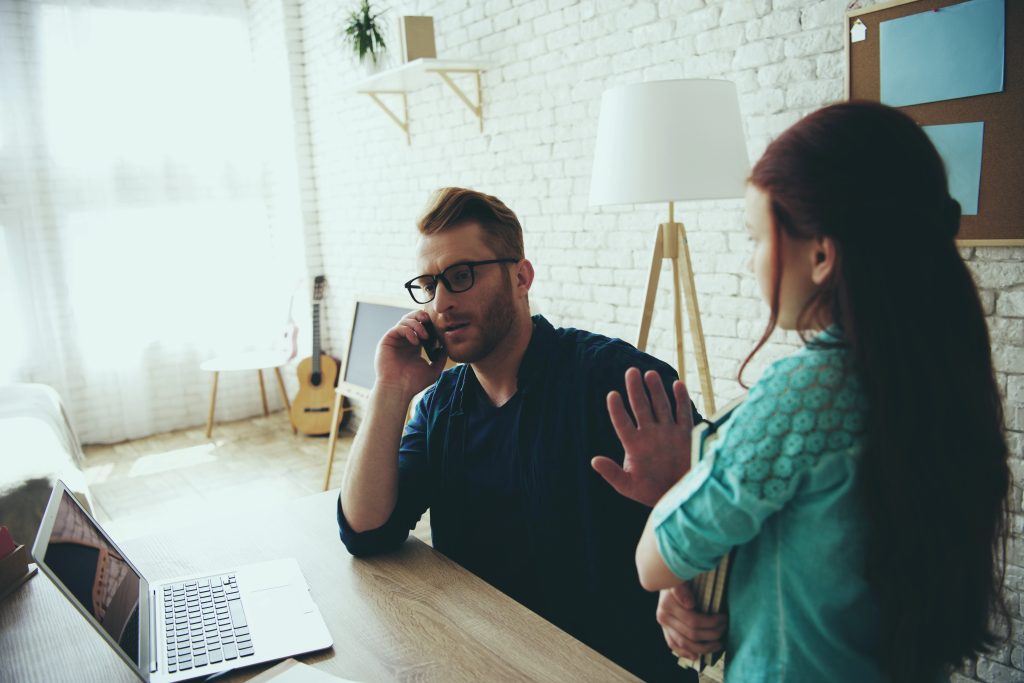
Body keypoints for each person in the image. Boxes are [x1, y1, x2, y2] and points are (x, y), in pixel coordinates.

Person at [610, 102, 1010, 682]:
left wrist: (680, 488)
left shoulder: (804, 394)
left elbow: (654, 559)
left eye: (756, 238)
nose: (752, 263)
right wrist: (696, 589)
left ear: (821, 254)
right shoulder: (937, 377)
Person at [337, 187, 702, 681]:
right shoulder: (443, 404)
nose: (442, 302)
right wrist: (391, 386)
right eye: (430, 284)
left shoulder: (619, 382)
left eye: (461, 276)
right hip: (481, 658)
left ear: (521, 277)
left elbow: (723, 532)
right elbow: (365, 529)